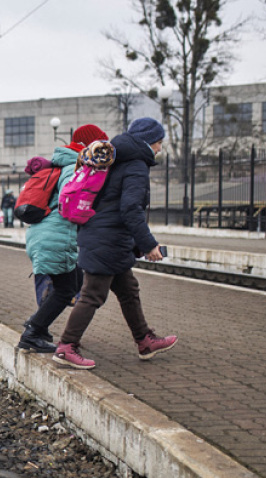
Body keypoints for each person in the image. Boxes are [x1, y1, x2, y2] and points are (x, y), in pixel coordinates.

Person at [53, 118, 177, 370]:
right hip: (107, 239)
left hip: (102, 235)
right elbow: (131, 209)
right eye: (159, 142)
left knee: (128, 290)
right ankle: (67, 346)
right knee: (92, 295)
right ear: (148, 141)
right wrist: (149, 244)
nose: (160, 148)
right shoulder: (135, 164)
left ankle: (144, 341)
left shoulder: (114, 157)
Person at [18, 124, 108, 353]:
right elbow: (70, 201)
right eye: (101, 145)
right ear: (90, 145)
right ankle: (32, 332)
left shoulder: (63, 162)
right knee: (66, 289)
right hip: (58, 235)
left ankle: (36, 326)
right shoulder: (74, 166)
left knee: (73, 283)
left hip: (46, 234)